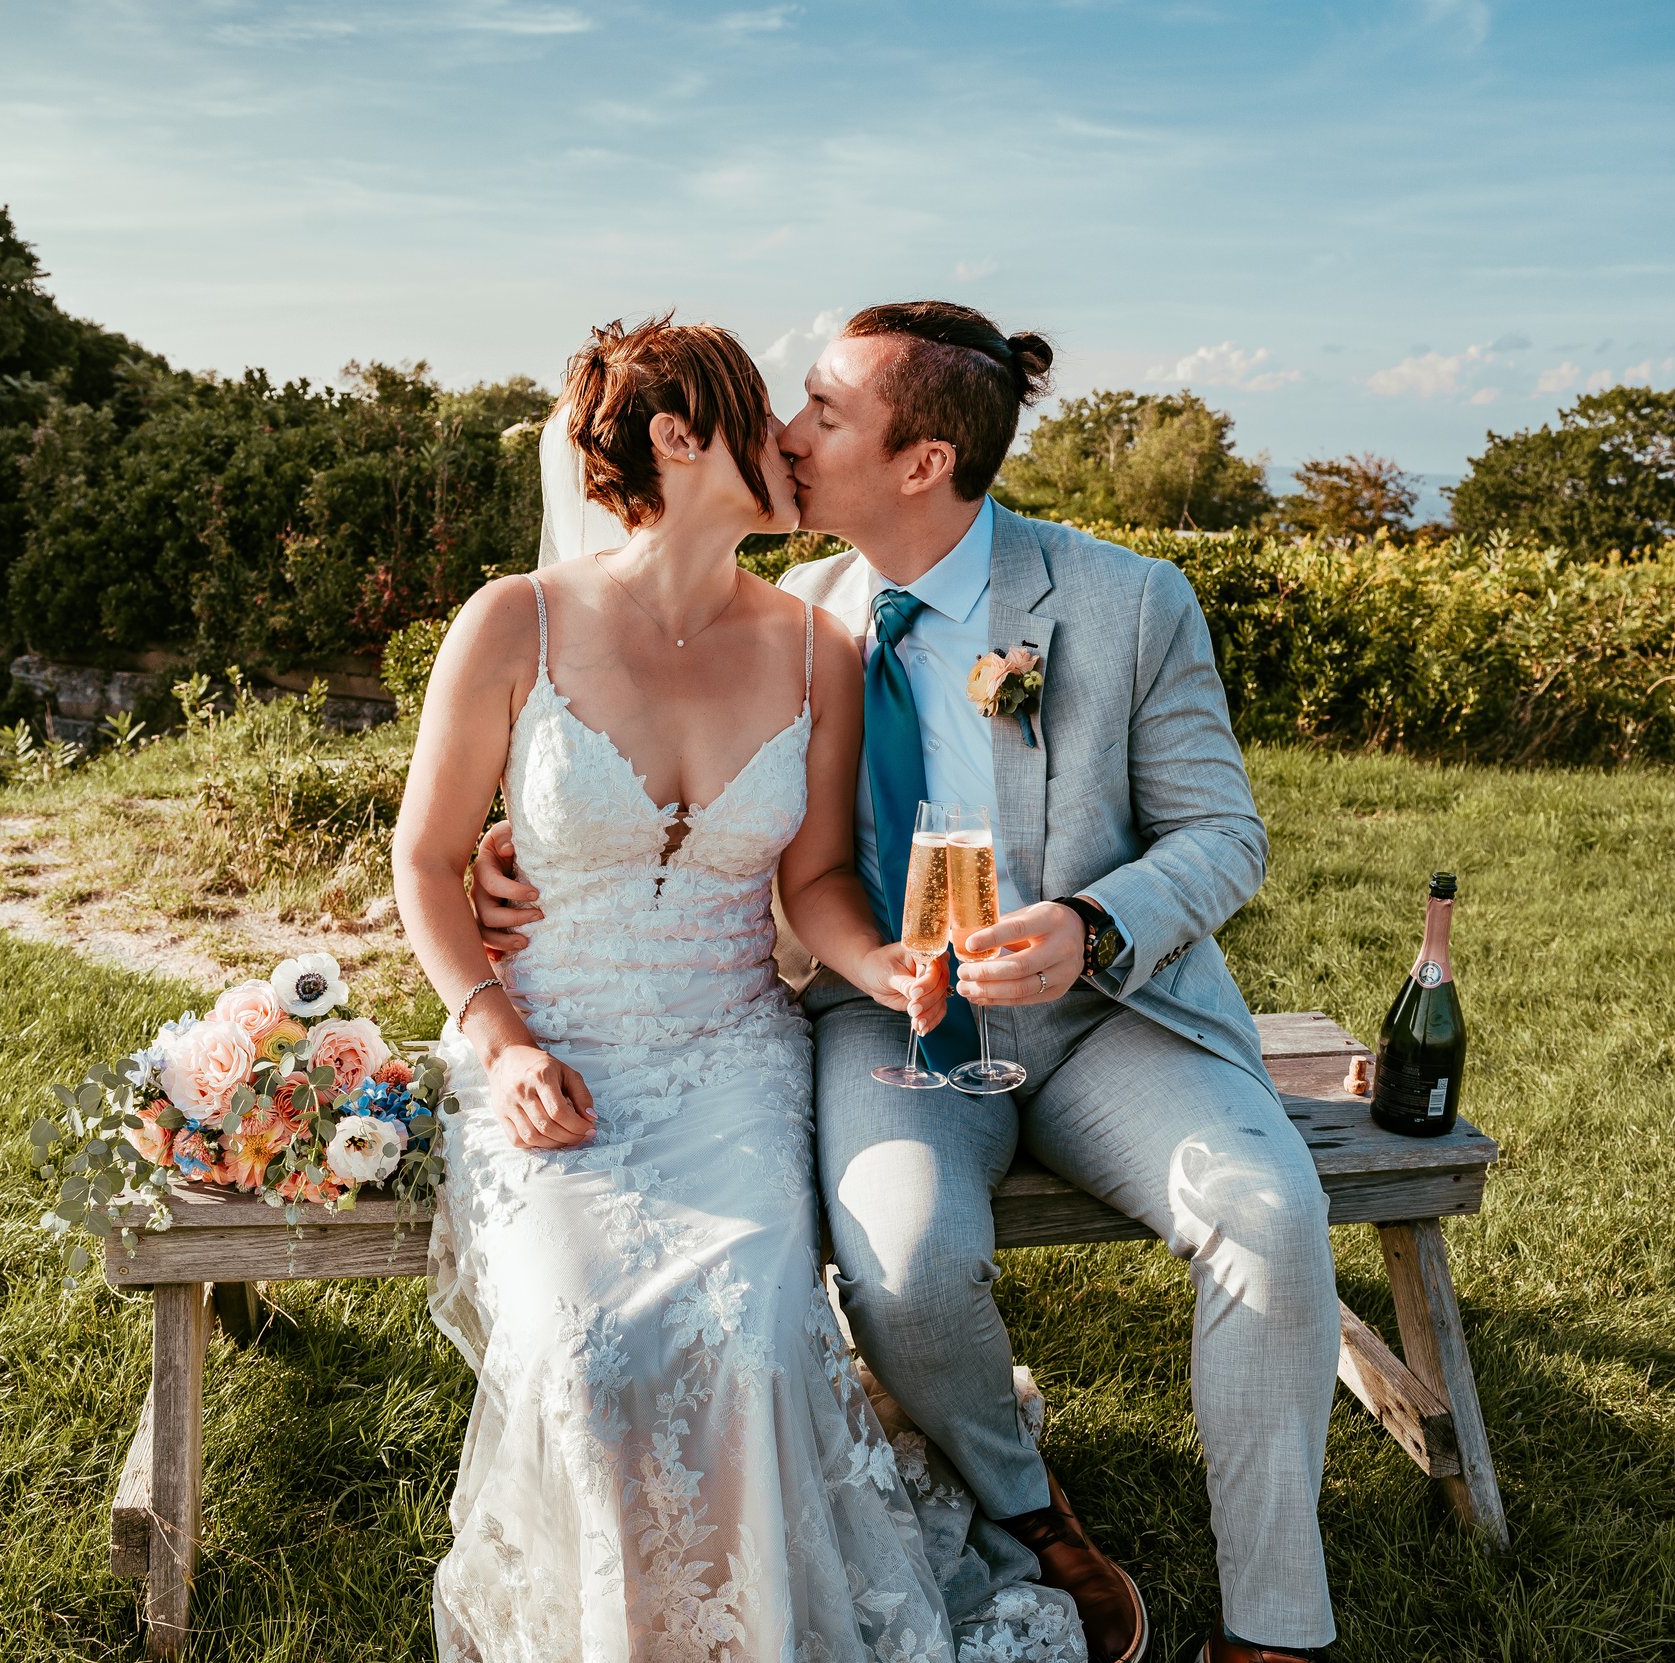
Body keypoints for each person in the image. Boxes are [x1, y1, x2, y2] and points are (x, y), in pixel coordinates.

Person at [476, 302, 1343, 1663]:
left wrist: (1096, 925)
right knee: (903, 1265)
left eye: (822, 411)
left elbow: (1226, 836)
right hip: (894, 1018)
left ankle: (1277, 1631)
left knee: (1269, 1209)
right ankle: (1026, 1511)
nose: (787, 433)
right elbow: (658, 788)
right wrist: (514, 859)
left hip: (1108, 1020)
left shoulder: (1124, 602)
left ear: (923, 461)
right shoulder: (791, 615)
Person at [393, 315, 1083, 1663]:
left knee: (756, 1343)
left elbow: (814, 878)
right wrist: (501, 1040)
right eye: (764, 415)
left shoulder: (813, 646)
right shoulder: (510, 623)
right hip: (550, 1059)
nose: (787, 440)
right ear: (674, 436)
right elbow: (424, 864)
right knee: (593, 1363)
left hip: (731, 1059)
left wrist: (880, 961)